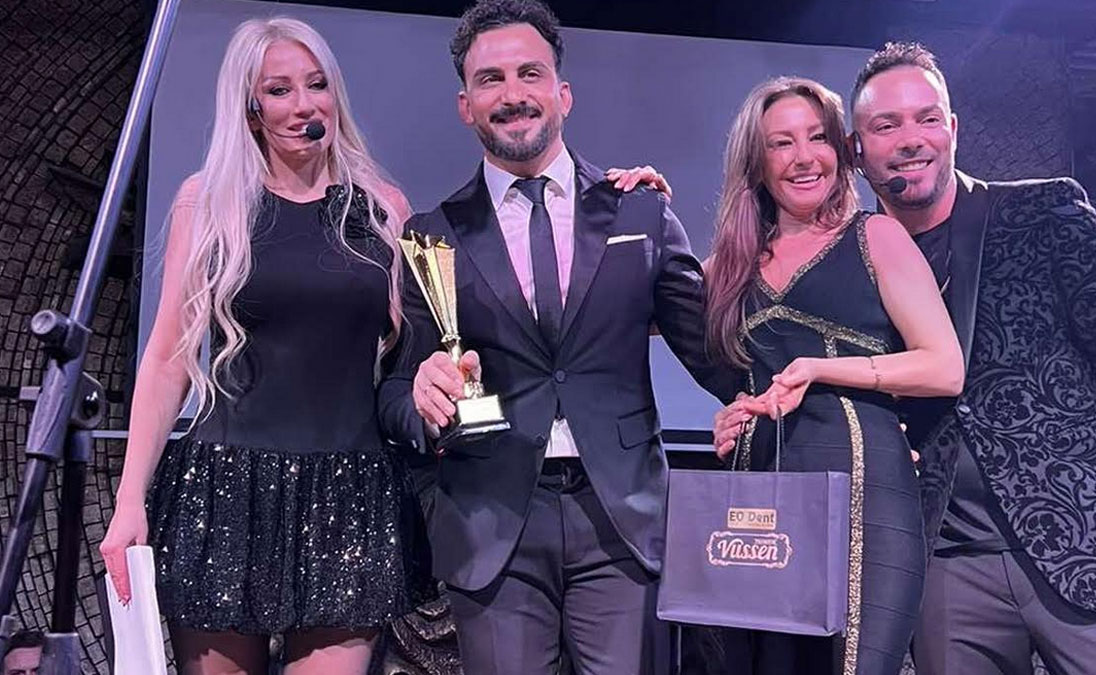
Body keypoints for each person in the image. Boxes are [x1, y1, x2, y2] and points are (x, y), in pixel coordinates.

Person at [376, 1, 739, 673]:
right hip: (492, 527)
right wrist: (422, 403)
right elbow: (395, 393)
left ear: (563, 93)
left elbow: (716, 355)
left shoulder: (639, 211)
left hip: (623, 520)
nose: (512, 94)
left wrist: (815, 402)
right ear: (465, 105)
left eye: (530, 73)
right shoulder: (432, 237)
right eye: (490, 79)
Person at [98, 17, 435, 675]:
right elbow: (168, 358)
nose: (304, 104)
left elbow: (415, 356)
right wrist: (129, 498)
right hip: (225, 489)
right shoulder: (211, 202)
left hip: (350, 495)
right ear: (251, 109)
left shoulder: (384, 209)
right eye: (279, 90)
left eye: (317, 85)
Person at [849, 42, 1096, 675]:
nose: (911, 139)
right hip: (946, 563)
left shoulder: (1043, 212)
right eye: (886, 125)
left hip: (1092, 535)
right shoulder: (855, 263)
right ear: (857, 149)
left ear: (953, 129)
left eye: (927, 118)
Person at [707, 76, 964, 675]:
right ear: (756, 161)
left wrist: (821, 368)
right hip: (762, 497)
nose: (804, 157)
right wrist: (735, 413)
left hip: (869, 491)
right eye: (781, 143)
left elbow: (944, 366)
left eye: (818, 137)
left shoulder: (876, 236)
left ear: (840, 149)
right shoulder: (727, 267)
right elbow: (623, 307)